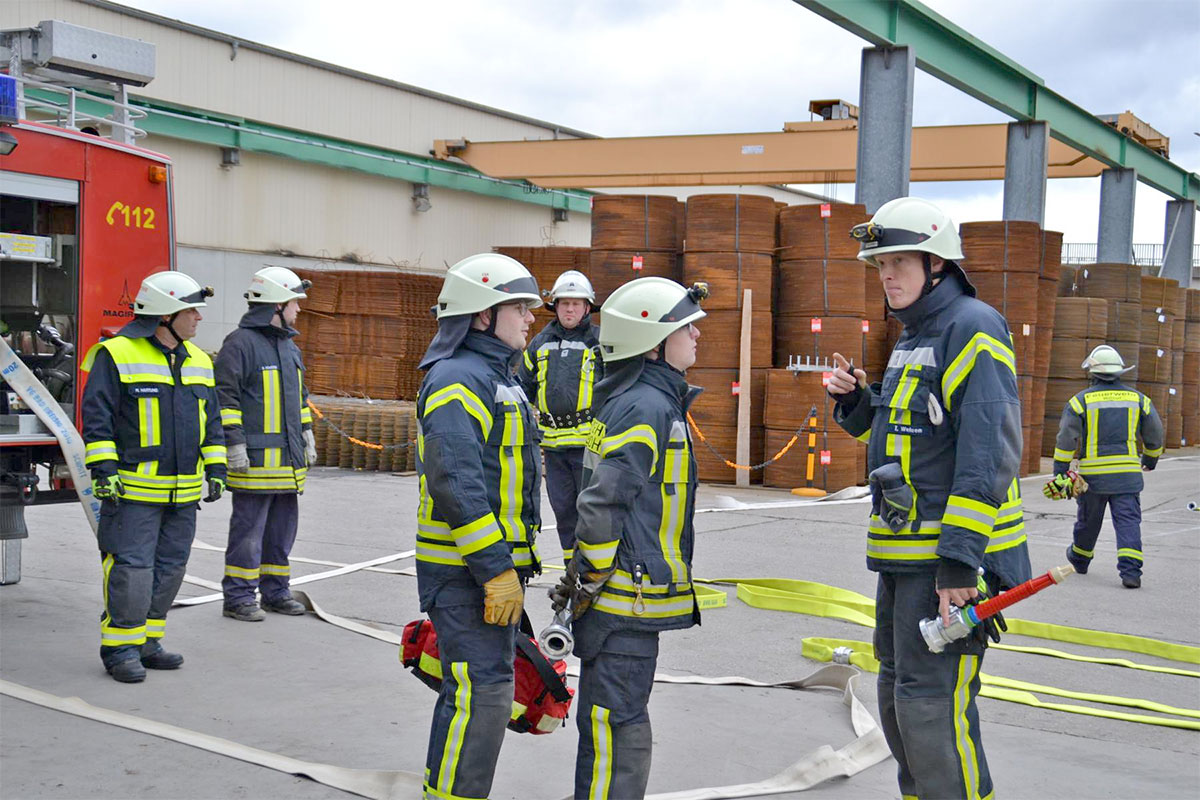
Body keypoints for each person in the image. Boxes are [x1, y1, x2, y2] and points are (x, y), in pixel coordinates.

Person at [827, 197, 1030, 800]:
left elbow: (987, 452)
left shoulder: (973, 326)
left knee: (932, 709)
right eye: (880, 263)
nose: (886, 274)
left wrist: (960, 563)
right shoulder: (915, 336)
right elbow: (912, 440)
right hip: (903, 557)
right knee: (899, 698)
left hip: (947, 562)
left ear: (937, 264)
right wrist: (859, 404)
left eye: (899, 261)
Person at [550, 276, 707, 800]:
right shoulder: (647, 407)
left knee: (613, 719)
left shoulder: (634, 398)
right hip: (625, 601)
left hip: (620, 598)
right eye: (687, 328)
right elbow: (601, 504)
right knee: (617, 725)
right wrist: (591, 580)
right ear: (653, 342)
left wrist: (582, 580)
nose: (697, 337)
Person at [415, 253, 544, 800]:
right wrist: (495, 570)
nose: (530, 318)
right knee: (479, 695)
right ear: (481, 315)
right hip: (465, 572)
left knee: (489, 693)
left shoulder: (498, 377)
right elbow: (456, 484)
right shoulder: (457, 379)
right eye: (519, 307)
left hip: (488, 570)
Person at [81, 271, 227, 683]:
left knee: (170, 568)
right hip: (132, 492)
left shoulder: (199, 360)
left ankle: (148, 641)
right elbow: (97, 418)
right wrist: (103, 470)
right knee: (131, 568)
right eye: (191, 309)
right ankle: (120, 647)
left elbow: (210, 421)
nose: (198, 317)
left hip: (182, 495)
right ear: (165, 315)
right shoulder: (116, 353)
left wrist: (216, 467)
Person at [215, 267, 317, 621]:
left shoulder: (289, 347)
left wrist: (306, 434)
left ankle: (276, 592)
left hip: (287, 463)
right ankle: (239, 597)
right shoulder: (239, 344)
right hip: (255, 462)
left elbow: (299, 398)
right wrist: (234, 445)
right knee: (248, 533)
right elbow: (225, 399)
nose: (298, 310)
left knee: (280, 533)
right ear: (276, 305)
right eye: (294, 303)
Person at [1048, 344, 1163, 589]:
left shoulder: (1079, 402)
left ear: (1092, 372)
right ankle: (1131, 573)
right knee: (1128, 522)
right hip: (1128, 478)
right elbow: (1155, 434)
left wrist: (1060, 472)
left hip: (1094, 479)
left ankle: (1079, 558)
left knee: (1088, 521)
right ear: (1120, 372)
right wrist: (1150, 459)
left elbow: (1066, 439)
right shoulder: (1139, 399)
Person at [518, 270, 603, 563]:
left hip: (587, 447)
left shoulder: (599, 344)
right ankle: (572, 569)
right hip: (553, 448)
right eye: (564, 303)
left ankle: (592, 568)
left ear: (587, 307)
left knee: (590, 512)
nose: (569, 309)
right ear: (555, 306)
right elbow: (522, 387)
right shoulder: (540, 343)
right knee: (564, 511)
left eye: (576, 304)